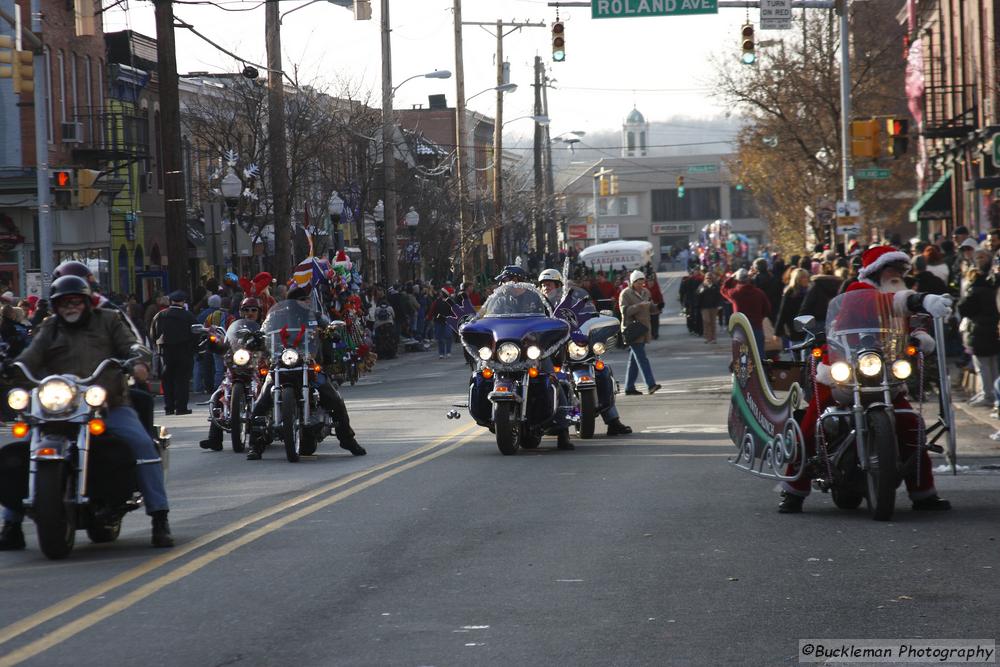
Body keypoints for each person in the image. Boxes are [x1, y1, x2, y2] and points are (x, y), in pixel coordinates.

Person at [0, 276, 173, 550]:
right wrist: (13, 367)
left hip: (106, 403)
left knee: (142, 445)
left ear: (87, 301)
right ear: (56, 306)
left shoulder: (109, 320)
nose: (71, 307)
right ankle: (11, 524)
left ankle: (159, 518)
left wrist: (137, 360)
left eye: (76, 301)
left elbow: (130, 345)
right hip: (59, 406)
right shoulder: (49, 328)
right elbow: (30, 357)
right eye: (64, 302)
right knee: (23, 451)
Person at [778, 246, 953, 514]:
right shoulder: (858, 292)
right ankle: (793, 492)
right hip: (844, 369)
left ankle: (923, 493)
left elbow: (908, 322)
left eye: (901, 270)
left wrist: (918, 336)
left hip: (883, 376)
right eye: (892, 269)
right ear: (877, 271)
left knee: (911, 422)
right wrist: (920, 300)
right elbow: (888, 302)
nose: (897, 274)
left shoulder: (893, 294)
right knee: (815, 424)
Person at [248, 284, 365, 460]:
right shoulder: (276, 316)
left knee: (334, 398)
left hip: (308, 364)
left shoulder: (314, 316)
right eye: (302, 299)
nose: (306, 301)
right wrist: (257, 337)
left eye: (306, 299)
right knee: (261, 401)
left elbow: (327, 326)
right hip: (281, 363)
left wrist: (332, 331)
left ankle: (347, 439)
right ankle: (255, 445)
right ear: (292, 301)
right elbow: (265, 330)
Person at [537, 269, 632, 436]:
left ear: (559, 285)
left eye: (549, 284)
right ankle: (546, 420)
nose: (546, 288)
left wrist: (596, 317)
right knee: (544, 380)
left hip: (576, 347)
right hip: (551, 353)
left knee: (602, 372)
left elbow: (588, 314)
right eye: (543, 285)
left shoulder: (572, 301)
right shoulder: (537, 306)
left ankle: (613, 421)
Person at [199, 297, 263, 451]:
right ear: (240, 311)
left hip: (258, 367)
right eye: (246, 310)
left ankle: (262, 433)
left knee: (269, 391)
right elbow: (225, 340)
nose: (249, 313)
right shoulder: (233, 326)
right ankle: (214, 439)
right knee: (219, 395)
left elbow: (276, 339)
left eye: (253, 310)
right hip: (237, 365)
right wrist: (213, 340)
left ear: (259, 312)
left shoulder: (264, 327)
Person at [957, 250, 1000, 409]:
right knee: (993, 364)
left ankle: (987, 394)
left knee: (982, 365)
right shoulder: (993, 287)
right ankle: (993, 396)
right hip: (993, 328)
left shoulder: (975, 290)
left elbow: (964, 308)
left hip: (979, 329)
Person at [150, 291, 198, 415]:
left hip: (165, 353)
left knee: (167, 380)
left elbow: (153, 334)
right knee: (182, 380)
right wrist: (195, 349)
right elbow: (196, 334)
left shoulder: (160, 315)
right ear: (183, 302)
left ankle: (169, 407)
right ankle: (181, 407)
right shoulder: (188, 316)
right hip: (184, 352)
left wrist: (157, 345)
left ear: (171, 301)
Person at [619, 270, 661, 396]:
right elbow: (624, 311)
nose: (641, 284)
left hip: (643, 329)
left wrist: (656, 307)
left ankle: (629, 387)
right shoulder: (625, 293)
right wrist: (639, 306)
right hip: (632, 330)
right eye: (638, 282)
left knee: (634, 360)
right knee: (642, 359)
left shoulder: (646, 292)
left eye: (643, 281)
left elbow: (651, 308)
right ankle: (651, 385)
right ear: (633, 282)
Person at [721, 268, 772, 354]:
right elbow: (767, 310)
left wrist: (732, 277)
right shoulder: (759, 293)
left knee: (742, 356)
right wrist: (759, 317)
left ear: (737, 280)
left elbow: (724, 289)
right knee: (759, 355)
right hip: (756, 327)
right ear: (748, 279)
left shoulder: (735, 293)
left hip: (741, 328)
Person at [774, 268, 810, 352]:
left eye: (806, 277)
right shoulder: (790, 293)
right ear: (797, 279)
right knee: (796, 356)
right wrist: (777, 332)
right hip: (794, 329)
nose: (805, 279)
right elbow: (783, 312)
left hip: (808, 328)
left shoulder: (810, 291)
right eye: (802, 277)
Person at [427, 287, 454, 359]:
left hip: (447, 321)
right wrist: (429, 317)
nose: (440, 293)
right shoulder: (437, 301)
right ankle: (441, 353)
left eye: (442, 292)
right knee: (440, 338)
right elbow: (432, 310)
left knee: (448, 336)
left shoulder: (450, 301)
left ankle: (448, 352)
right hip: (438, 321)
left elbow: (454, 311)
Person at [696, 272, 722, 344]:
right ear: (705, 278)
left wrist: (719, 304)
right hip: (704, 307)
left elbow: (719, 296)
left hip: (713, 307)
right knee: (707, 321)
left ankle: (713, 338)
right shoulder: (702, 286)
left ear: (712, 278)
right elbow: (697, 295)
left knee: (713, 322)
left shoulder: (715, 286)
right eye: (707, 278)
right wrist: (700, 292)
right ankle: (707, 338)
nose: (708, 279)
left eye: (710, 278)